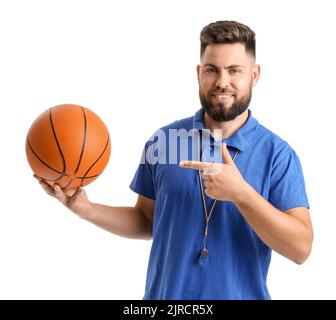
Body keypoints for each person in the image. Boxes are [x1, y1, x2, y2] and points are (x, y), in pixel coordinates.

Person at [36, 20, 313, 300]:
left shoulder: (278, 155)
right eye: (212, 69)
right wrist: (85, 209)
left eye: (235, 70)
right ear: (198, 73)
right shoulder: (165, 141)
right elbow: (147, 220)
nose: (222, 82)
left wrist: (241, 194)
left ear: (254, 75)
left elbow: (300, 248)